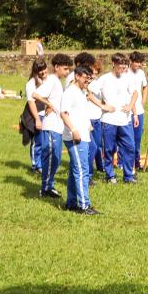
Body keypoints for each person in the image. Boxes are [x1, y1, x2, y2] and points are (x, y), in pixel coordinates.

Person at [60, 65, 100, 215]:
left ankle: (71, 202)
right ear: (77, 76)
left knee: (74, 170)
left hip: (84, 135)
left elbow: (80, 113)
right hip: (75, 137)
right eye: (85, 78)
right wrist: (74, 130)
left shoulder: (82, 92)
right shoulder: (70, 93)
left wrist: (87, 127)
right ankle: (84, 206)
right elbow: (63, 114)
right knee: (82, 170)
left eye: (89, 79)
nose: (87, 81)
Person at [32, 53, 73, 198]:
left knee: (55, 158)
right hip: (50, 127)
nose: (67, 72)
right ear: (56, 67)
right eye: (65, 69)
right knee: (51, 157)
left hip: (57, 127)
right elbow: (35, 94)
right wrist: (48, 104)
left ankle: (49, 185)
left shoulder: (58, 82)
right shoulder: (52, 81)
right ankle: (45, 188)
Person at [100, 53, 140, 184]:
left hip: (124, 120)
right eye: (120, 65)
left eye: (124, 65)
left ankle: (128, 176)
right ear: (113, 64)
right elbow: (89, 92)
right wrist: (102, 106)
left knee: (130, 148)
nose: (122, 67)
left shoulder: (127, 78)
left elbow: (135, 93)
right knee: (109, 149)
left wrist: (130, 106)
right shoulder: (104, 79)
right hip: (109, 121)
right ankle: (110, 176)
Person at [24, 59, 48, 174]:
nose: (43, 71)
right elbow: (31, 102)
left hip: (46, 114)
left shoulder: (47, 81)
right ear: (35, 70)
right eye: (40, 70)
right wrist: (37, 119)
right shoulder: (31, 84)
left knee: (44, 142)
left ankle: (42, 164)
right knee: (37, 142)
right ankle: (35, 166)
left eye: (44, 68)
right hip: (36, 115)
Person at [129, 51, 148, 170]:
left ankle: (137, 162)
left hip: (139, 111)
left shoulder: (141, 73)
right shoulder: (125, 73)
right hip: (128, 112)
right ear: (131, 61)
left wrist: (143, 100)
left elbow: (146, 86)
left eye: (140, 63)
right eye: (137, 62)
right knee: (127, 139)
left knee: (137, 139)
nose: (139, 65)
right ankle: (123, 162)